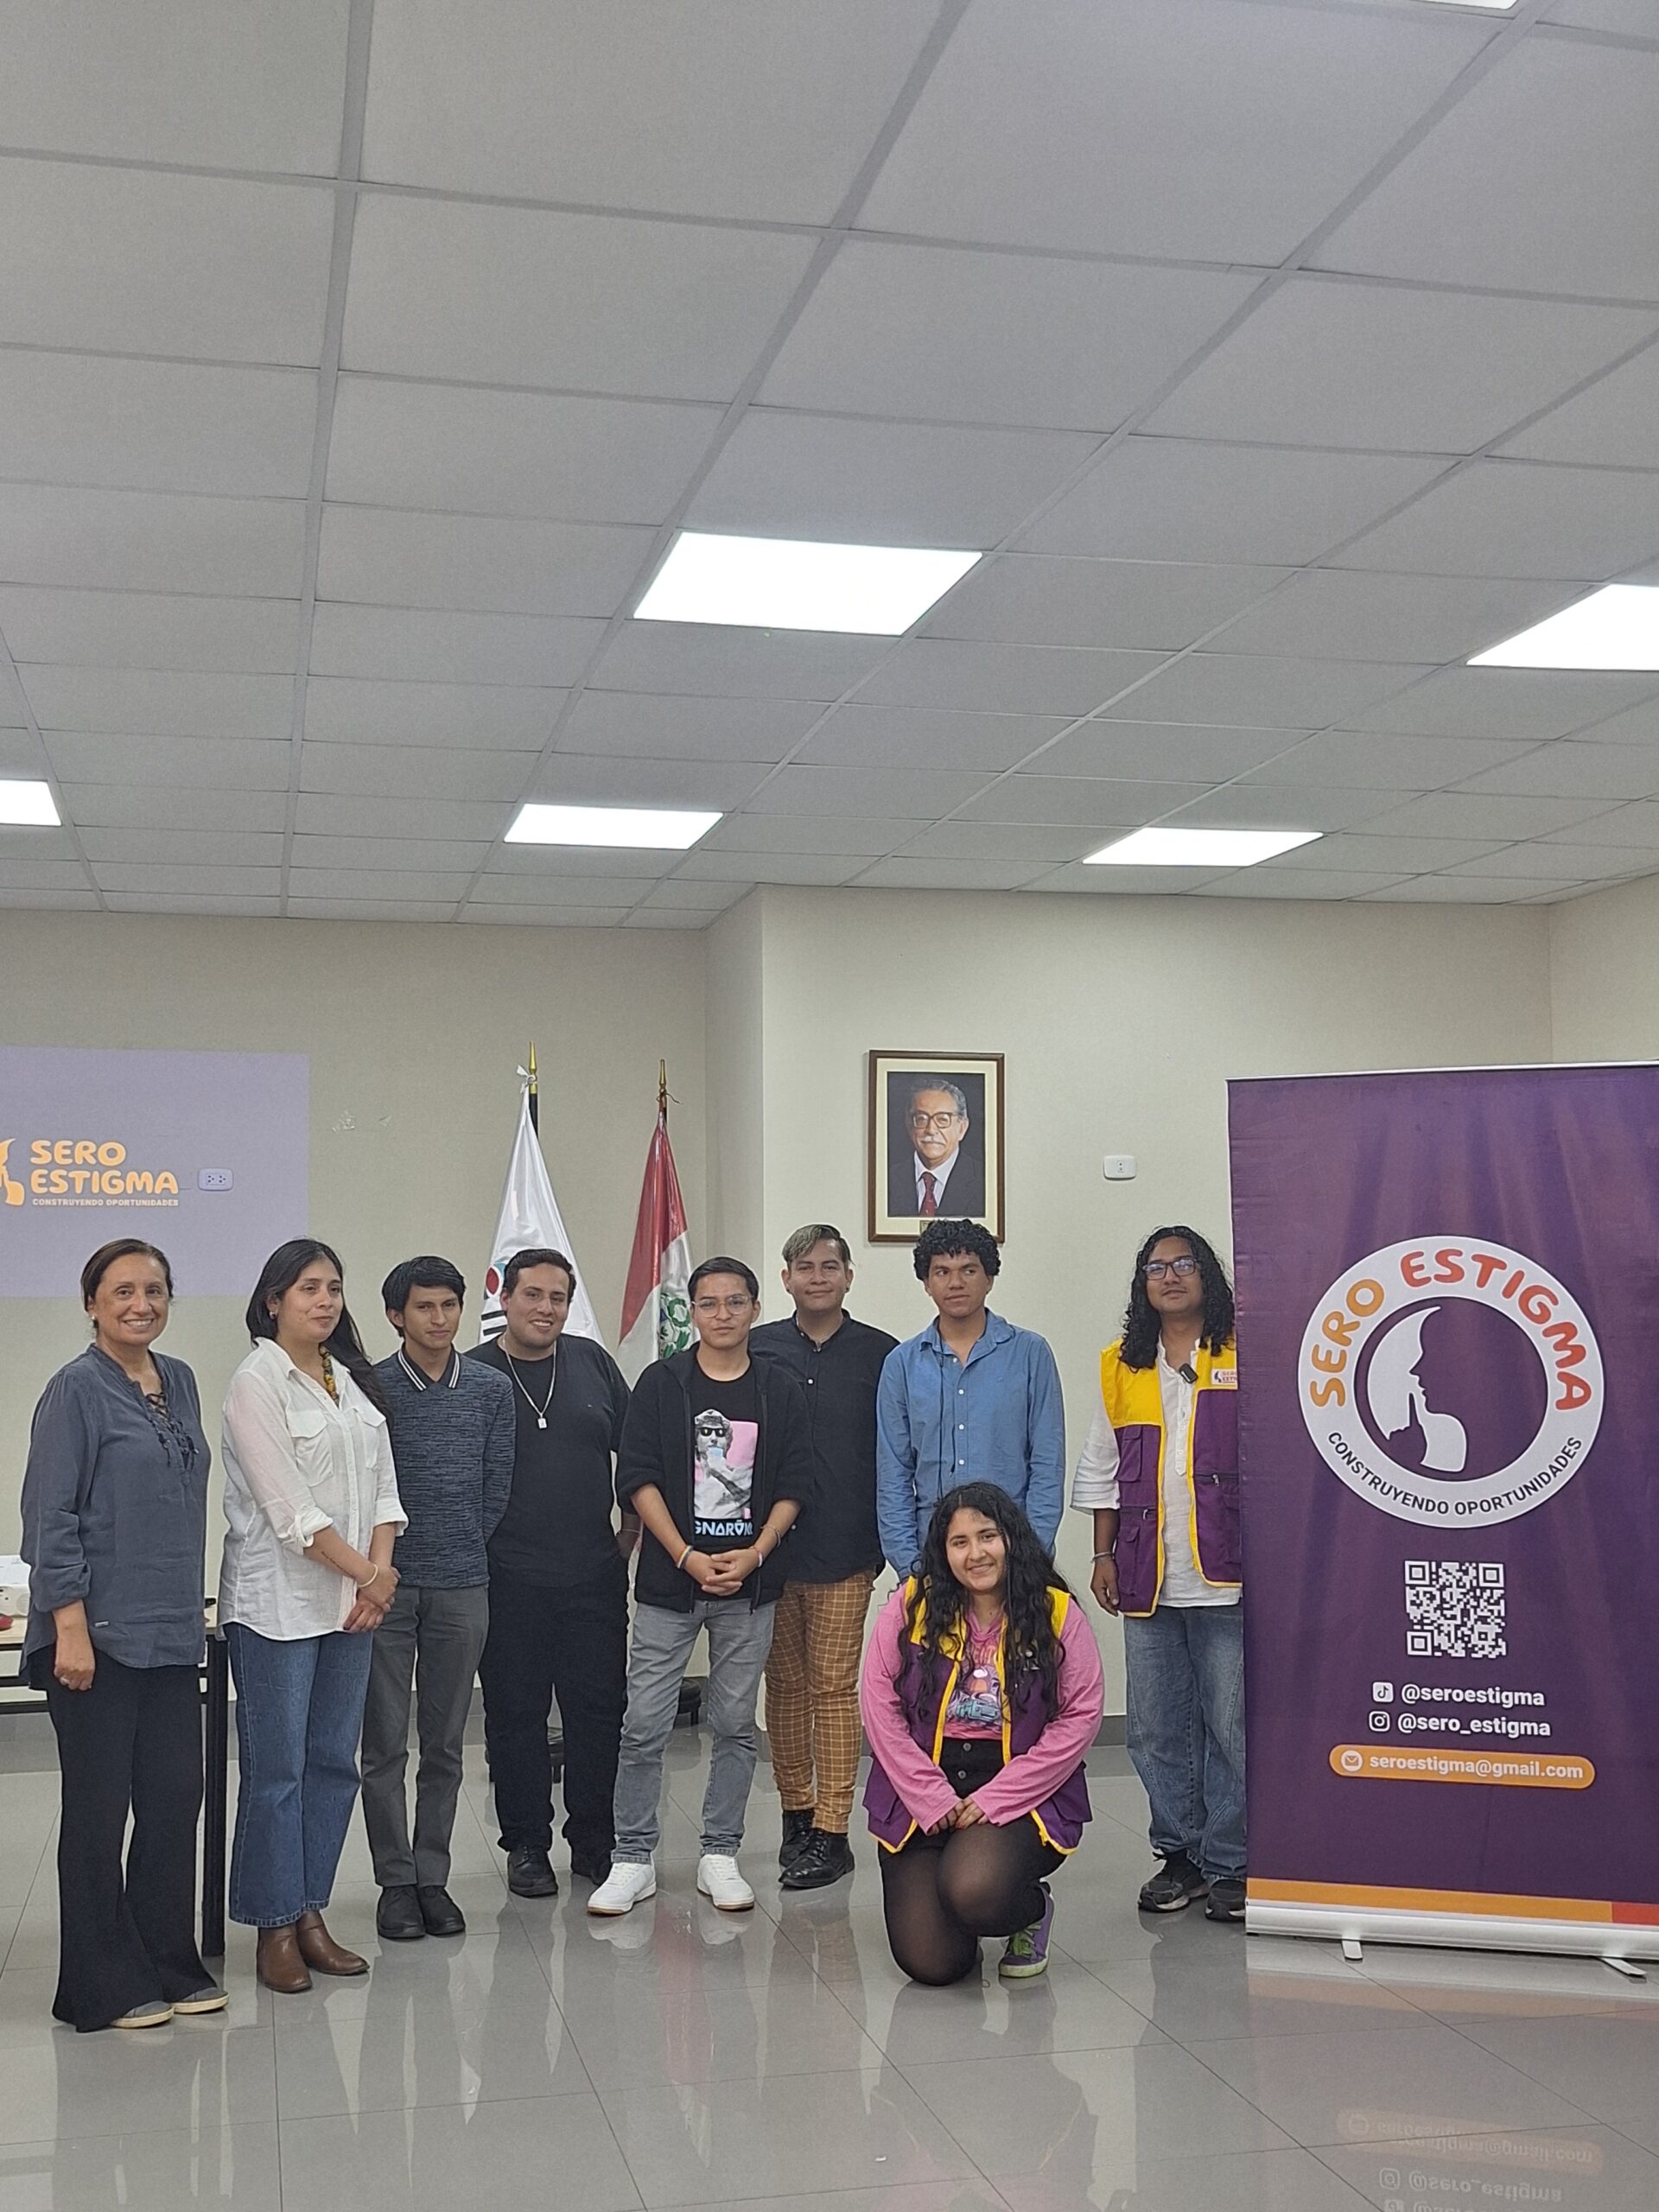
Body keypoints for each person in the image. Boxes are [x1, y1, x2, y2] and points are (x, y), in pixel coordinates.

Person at [18, 1240, 225, 2031]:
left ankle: (166, 1961)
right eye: (124, 1291)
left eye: (156, 1290)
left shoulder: (181, 1381)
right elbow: (50, 1517)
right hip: (93, 1639)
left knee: (174, 1801)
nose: (142, 1304)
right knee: (99, 1814)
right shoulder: (74, 1389)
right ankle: (98, 1985)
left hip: (170, 1632)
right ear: (92, 1303)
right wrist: (69, 1626)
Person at [588, 1256, 812, 1917]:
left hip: (750, 1585)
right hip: (671, 1584)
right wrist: (685, 1555)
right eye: (708, 1303)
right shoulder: (663, 1383)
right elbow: (638, 1478)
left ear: (755, 1309)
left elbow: (796, 1482)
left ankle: (720, 1852)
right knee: (643, 1724)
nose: (722, 1314)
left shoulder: (777, 1387)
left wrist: (757, 1551)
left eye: (735, 1302)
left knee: (735, 1724)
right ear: (693, 1312)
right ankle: (633, 1857)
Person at [219, 1240, 406, 1993]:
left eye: (333, 1287)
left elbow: (385, 1491)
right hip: (278, 1608)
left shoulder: (349, 1380)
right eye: (307, 1288)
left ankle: (310, 1914)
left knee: (333, 1764)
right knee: (278, 1773)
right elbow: (290, 1513)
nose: (325, 1300)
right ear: (274, 1301)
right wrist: (371, 1577)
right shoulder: (256, 1383)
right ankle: (273, 1925)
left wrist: (377, 1578)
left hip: (352, 1607)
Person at [861, 1483, 1103, 1986]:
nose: (976, 1553)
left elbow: (1080, 1717)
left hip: (1016, 1788)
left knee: (974, 1892)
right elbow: (879, 1708)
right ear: (943, 1552)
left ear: (1011, 1539)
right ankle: (956, 1903)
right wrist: (929, 1795)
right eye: (960, 1542)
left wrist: (998, 1797)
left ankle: (1030, 1908)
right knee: (933, 1964)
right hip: (923, 1787)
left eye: (988, 1536)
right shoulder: (910, 1607)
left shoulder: (1056, 1613)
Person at [1073, 1225, 1245, 1923]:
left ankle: (1232, 1861)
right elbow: (1103, 1467)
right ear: (1141, 1284)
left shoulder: (1245, 1353)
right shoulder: (1123, 1364)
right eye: (1155, 1268)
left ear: (1208, 1275)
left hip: (1229, 1574)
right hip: (1147, 1574)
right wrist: (1102, 1555)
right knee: (1155, 1728)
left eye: (1183, 1264)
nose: (1170, 1277)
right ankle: (1181, 1856)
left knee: (1230, 1727)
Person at [470, 1248, 632, 1897]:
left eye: (558, 1298)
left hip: (593, 1575)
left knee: (599, 1713)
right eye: (532, 1295)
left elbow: (638, 1455)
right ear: (505, 1299)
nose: (546, 1308)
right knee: (516, 1717)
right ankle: (527, 1846)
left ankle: (594, 1841)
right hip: (507, 1579)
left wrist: (631, 1532)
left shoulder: (592, 1363)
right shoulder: (475, 1374)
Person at [361, 1255, 514, 1942]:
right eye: (424, 1306)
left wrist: (463, 1546)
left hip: (463, 1584)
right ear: (397, 1315)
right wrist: (380, 1569)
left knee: (446, 1743)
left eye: (449, 1305)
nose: (439, 1318)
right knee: (384, 1744)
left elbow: (497, 1483)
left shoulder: (489, 1387)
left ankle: (432, 1877)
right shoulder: (369, 1387)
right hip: (385, 1587)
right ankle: (394, 1883)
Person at [751, 1224, 897, 1891]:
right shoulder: (757, 1349)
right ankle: (797, 1815)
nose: (817, 1277)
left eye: (829, 1266)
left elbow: (898, 1452)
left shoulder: (882, 1355)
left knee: (834, 1688)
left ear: (848, 1276)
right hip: (769, 1551)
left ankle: (833, 1830)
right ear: (785, 1278)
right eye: (804, 1267)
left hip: (846, 1547)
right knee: (783, 1687)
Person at [875, 1218, 1065, 1577]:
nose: (956, 1283)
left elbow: (1047, 1464)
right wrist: (909, 1565)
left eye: (969, 1270)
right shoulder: (901, 1364)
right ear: (926, 1283)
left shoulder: (1030, 1354)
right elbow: (894, 1473)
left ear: (989, 1278)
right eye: (942, 1272)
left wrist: (1031, 1554)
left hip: (1014, 1552)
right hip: (932, 1555)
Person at [886, 1073, 986, 1220]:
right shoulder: (887, 1179)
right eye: (921, 1119)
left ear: (962, 1127)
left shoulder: (984, 1181)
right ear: (909, 1124)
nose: (931, 1130)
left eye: (942, 1120)